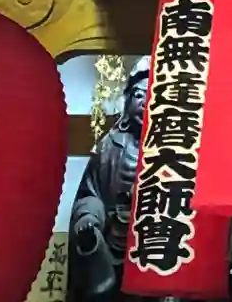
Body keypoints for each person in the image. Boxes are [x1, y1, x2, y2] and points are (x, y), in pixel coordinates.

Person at [67, 61, 148, 302]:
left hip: (155, 246)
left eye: (152, 95)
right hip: (114, 244)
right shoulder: (110, 146)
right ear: (127, 101)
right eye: (138, 95)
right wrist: (88, 216)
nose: (144, 102)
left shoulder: (179, 153)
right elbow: (91, 193)